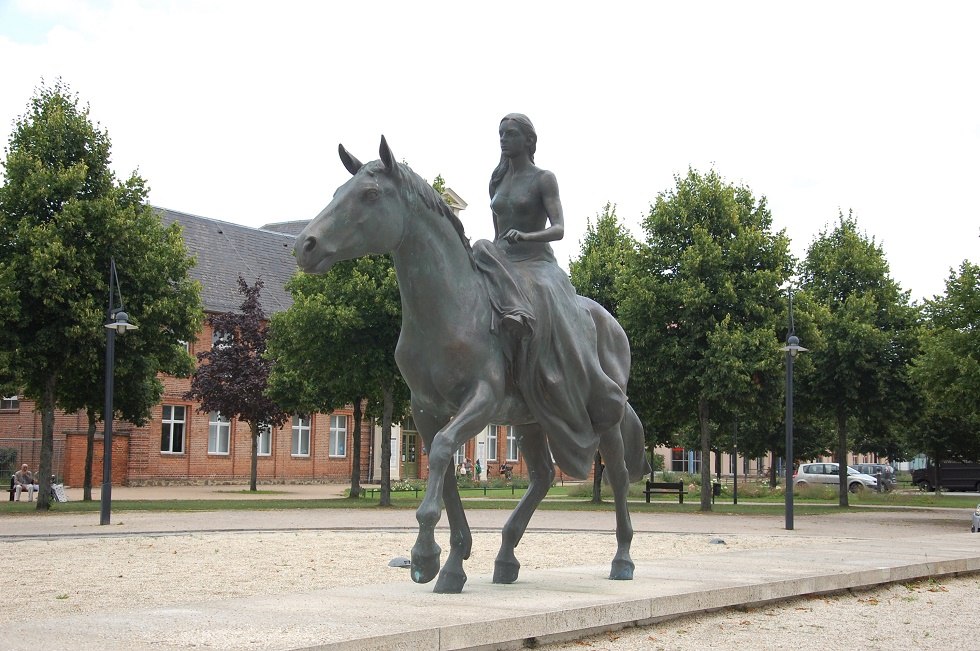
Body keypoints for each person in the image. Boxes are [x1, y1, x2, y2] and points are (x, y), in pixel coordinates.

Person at [472, 113, 626, 479]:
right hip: (504, 260)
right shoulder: (497, 179)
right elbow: (495, 233)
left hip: (537, 262)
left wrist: (527, 237)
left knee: (538, 292)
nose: (503, 140)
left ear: (528, 140)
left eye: (511, 134)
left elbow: (558, 228)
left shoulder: (543, 179)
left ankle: (553, 366)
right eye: (500, 134)